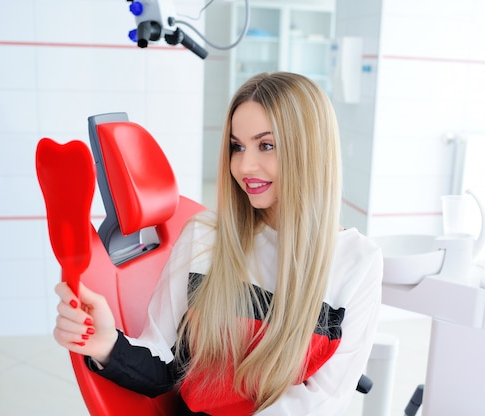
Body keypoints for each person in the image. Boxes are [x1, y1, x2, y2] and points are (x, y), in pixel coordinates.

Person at [53, 72, 383, 415]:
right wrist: (108, 344)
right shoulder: (205, 237)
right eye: (237, 146)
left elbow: (322, 404)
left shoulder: (357, 263)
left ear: (310, 151)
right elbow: (166, 365)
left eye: (266, 145)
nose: (244, 165)